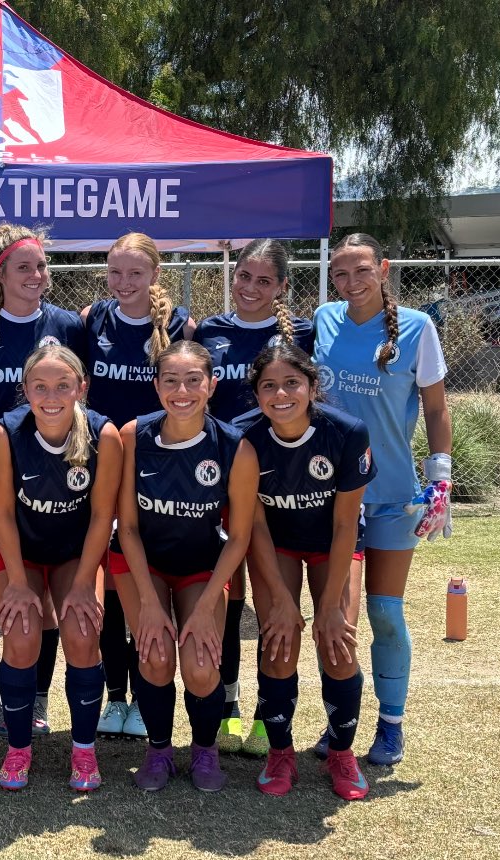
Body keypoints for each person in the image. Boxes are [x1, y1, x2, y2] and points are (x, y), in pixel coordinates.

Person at [312, 232, 452, 766]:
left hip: (392, 497)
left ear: (384, 268)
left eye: (361, 270)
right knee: (337, 619)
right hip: (330, 500)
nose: (350, 282)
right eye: (341, 273)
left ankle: (391, 726)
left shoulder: (417, 328)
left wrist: (440, 477)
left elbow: (436, 410)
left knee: (386, 613)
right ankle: (338, 722)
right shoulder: (323, 320)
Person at [111, 340, 259, 793]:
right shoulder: (133, 436)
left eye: (193, 380)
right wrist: (151, 606)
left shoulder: (235, 447)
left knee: (200, 662)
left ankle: (204, 749)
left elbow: (239, 537)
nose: (182, 390)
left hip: (201, 565)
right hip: (142, 562)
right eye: (171, 380)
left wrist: (205, 607)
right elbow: (128, 529)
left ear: (211, 384)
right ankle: (157, 751)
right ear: (156, 386)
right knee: (154, 655)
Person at [0, 223, 85, 738]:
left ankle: (35, 696)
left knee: (48, 598)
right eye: (24, 267)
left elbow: (82, 394)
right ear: (0, 273)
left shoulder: (67, 325)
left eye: (41, 266)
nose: (37, 275)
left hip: (59, 478)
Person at [192, 239, 314, 757]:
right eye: (244, 276)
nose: (250, 288)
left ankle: (270, 715)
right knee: (228, 593)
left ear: (282, 287)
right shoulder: (210, 331)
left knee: (271, 596)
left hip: (280, 483)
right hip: (219, 478)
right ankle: (227, 706)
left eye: (264, 281)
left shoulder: (303, 335)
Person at [238, 343, 375, 799]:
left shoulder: (347, 432)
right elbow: (254, 523)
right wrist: (279, 600)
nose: (281, 394)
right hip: (275, 544)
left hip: (331, 544)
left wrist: (332, 607)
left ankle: (341, 753)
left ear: (313, 387)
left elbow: (344, 524)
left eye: (292, 383)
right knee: (278, 641)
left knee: (339, 643)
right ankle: (281, 753)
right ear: (256, 395)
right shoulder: (247, 439)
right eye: (269, 386)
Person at [0, 345, 122, 791]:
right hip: (15, 550)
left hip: (74, 553)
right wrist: (20, 586)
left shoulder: (104, 435)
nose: (51, 396)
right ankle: (19, 747)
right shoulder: (5, 434)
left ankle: (83, 750)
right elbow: (2, 515)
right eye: (39, 386)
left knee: (82, 634)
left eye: (63, 385)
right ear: (24, 391)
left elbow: (103, 517)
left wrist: (84, 584)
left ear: (81, 388)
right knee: (22, 637)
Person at [83, 232, 195, 741]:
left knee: (143, 578)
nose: (123, 282)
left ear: (154, 275)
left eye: (134, 273)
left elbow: (190, 395)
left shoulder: (179, 325)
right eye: (115, 272)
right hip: (103, 462)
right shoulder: (92, 319)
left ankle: (164, 700)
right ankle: (116, 698)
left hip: (158, 469)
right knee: (109, 575)